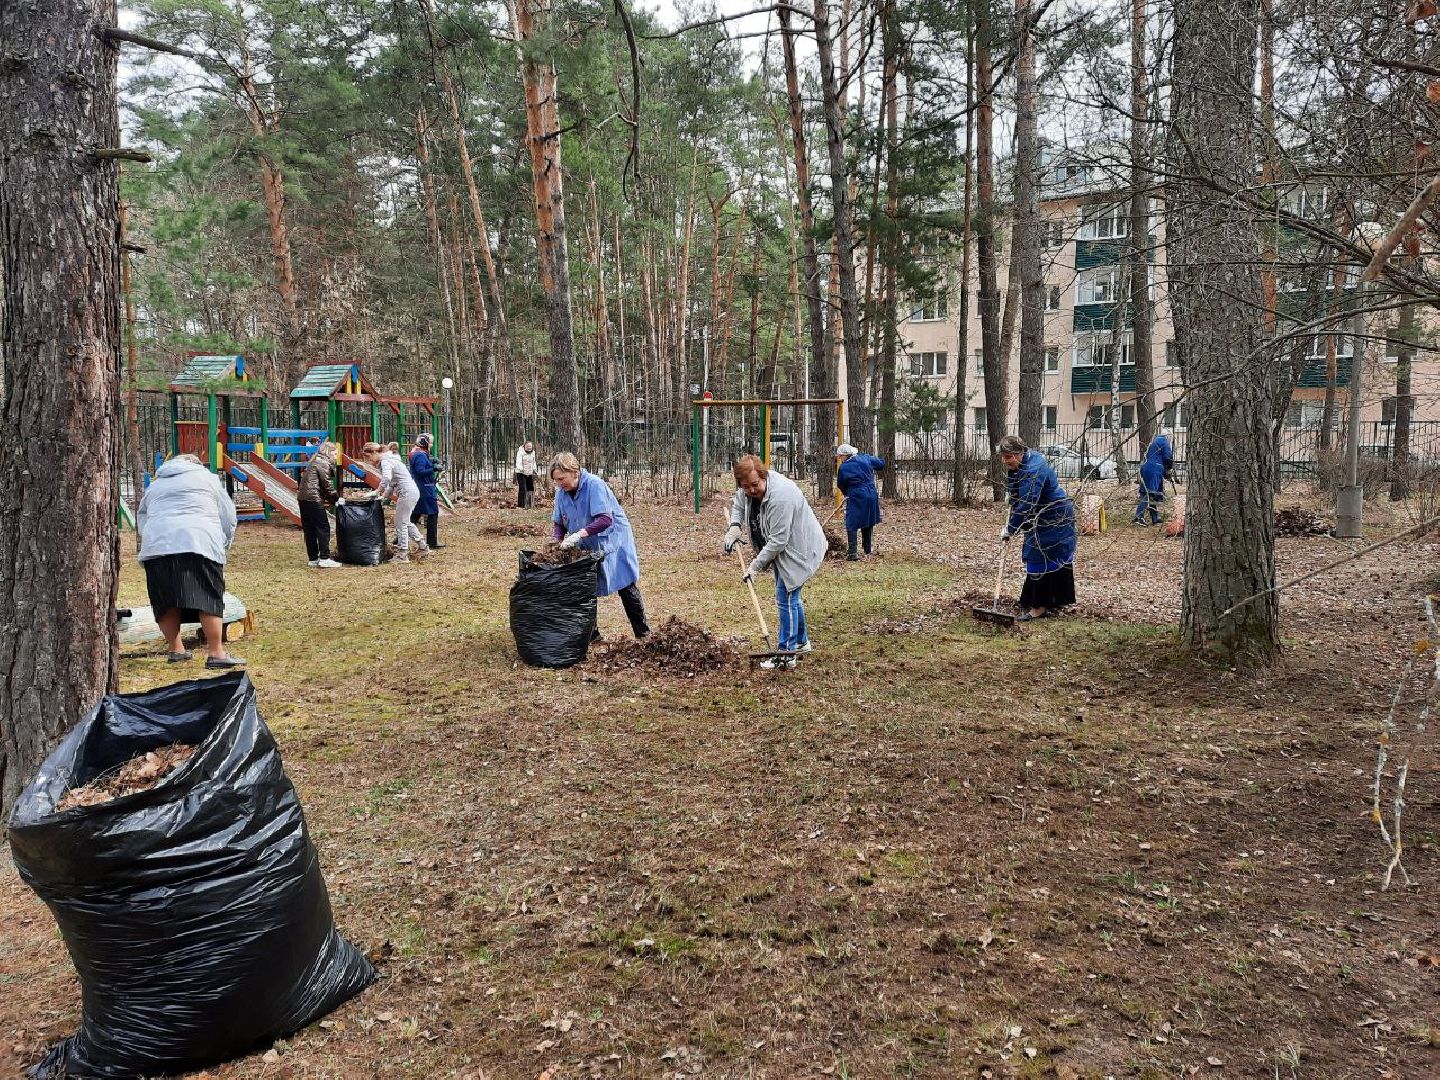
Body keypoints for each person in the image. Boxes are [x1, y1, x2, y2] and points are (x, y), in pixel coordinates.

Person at [136, 453, 245, 668]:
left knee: (165, 599)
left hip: (157, 546)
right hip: (198, 541)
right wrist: (223, 541)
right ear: (196, 464)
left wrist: (151, 539)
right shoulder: (208, 479)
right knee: (207, 596)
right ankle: (216, 653)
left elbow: (142, 517)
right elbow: (227, 515)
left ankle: (176, 649)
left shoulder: (156, 486)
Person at [722, 454, 826, 669]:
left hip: (799, 549)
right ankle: (801, 642)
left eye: (755, 485)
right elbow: (739, 504)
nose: (751, 490)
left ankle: (785, 655)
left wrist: (755, 566)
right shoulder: (747, 490)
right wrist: (734, 526)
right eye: (745, 486)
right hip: (783, 550)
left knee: (785, 596)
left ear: (764, 476)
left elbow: (779, 540)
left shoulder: (782, 496)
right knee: (791, 596)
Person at [550, 452, 649, 639]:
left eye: (562, 478)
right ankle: (593, 635)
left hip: (613, 540)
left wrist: (578, 534)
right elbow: (559, 523)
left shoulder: (594, 485)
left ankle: (643, 634)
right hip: (587, 545)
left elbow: (605, 519)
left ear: (574, 471)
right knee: (586, 588)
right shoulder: (561, 494)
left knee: (625, 585)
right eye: (556, 480)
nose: (559, 483)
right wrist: (557, 542)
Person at [998, 434, 1077, 621]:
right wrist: (1013, 493)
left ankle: (1039, 607)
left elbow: (1026, 504)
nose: (1004, 460)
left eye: (1008, 457)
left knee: (1038, 555)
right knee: (1044, 555)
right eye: (1002, 456)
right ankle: (1051, 600)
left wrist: (1010, 528)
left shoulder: (1033, 470)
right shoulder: (1026, 460)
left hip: (1054, 516)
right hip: (1043, 513)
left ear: (1019, 453)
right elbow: (1016, 480)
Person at [363, 441, 428, 563]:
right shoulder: (390, 459)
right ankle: (423, 546)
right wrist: (384, 496)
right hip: (411, 491)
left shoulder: (385, 461)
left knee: (400, 524)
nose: (370, 461)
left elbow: (387, 478)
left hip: (407, 492)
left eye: (369, 458)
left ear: (374, 453)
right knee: (406, 522)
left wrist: (377, 491)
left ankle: (402, 555)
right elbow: (393, 483)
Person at [834, 443, 886, 560]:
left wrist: (847, 493)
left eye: (840, 456)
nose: (839, 459)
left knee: (851, 522)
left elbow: (841, 484)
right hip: (871, 494)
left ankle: (852, 553)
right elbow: (881, 463)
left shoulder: (844, 467)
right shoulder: (865, 458)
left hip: (857, 495)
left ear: (845, 455)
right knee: (867, 521)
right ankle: (867, 552)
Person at [298, 441, 343, 569]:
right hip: (313, 499)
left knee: (309, 529)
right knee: (323, 528)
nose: (336, 456)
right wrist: (336, 499)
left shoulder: (314, 462)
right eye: (334, 453)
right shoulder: (323, 463)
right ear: (328, 453)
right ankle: (324, 558)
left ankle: (313, 558)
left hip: (303, 498)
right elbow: (327, 485)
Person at [409, 433, 443, 550]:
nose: (432, 444)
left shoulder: (419, 454)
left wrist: (432, 461)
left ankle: (399, 538)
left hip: (422, 488)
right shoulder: (420, 456)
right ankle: (432, 542)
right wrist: (433, 468)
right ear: (425, 443)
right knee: (433, 513)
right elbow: (420, 471)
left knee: (415, 515)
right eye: (431, 442)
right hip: (424, 489)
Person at [1135, 428, 1175, 526]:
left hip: (1148, 468)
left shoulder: (1155, 441)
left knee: (1152, 493)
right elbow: (1168, 457)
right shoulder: (1164, 441)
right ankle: (1139, 516)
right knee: (1149, 493)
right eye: (1171, 438)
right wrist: (1169, 469)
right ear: (1168, 436)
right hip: (1155, 469)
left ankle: (1155, 518)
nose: (1171, 440)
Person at [515, 440, 537, 508]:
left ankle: (530, 504)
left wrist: (534, 469)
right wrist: (521, 469)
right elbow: (518, 462)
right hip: (521, 473)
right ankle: (521, 505)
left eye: (530, 446)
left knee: (530, 488)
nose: (529, 447)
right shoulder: (520, 452)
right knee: (523, 488)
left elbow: (534, 462)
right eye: (527, 446)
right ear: (524, 446)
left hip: (529, 473)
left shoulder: (533, 452)